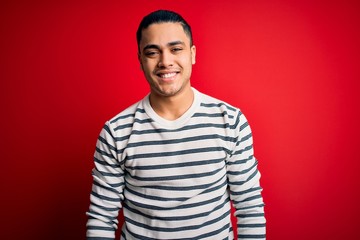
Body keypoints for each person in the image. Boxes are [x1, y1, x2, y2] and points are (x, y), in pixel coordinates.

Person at [86, 9, 266, 240]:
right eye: (153, 52)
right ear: (140, 60)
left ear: (192, 54)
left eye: (175, 49)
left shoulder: (230, 121)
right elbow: (102, 216)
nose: (165, 61)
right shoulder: (116, 131)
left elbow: (249, 206)